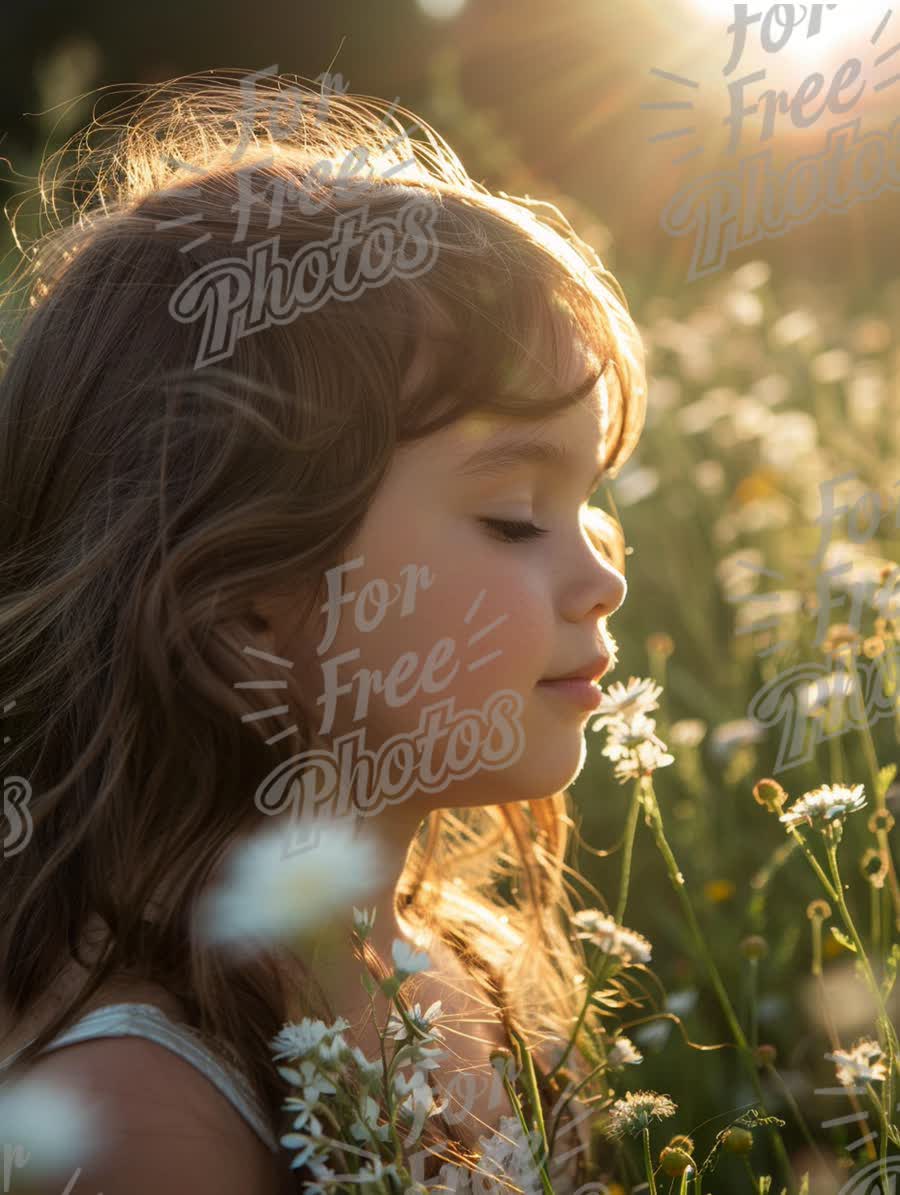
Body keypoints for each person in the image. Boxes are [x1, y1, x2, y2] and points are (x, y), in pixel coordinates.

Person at [0, 68, 647, 1193]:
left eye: (591, 503)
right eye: (512, 517)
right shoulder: (139, 1120)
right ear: (247, 601)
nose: (602, 578)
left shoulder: (466, 976)